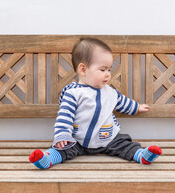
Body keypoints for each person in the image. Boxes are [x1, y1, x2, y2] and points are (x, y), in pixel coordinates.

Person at [29, 37, 162, 169]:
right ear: (83, 69)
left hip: (108, 139)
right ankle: (47, 159)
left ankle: (141, 155)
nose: (108, 74)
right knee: (63, 148)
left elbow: (122, 102)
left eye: (109, 69)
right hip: (78, 140)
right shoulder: (73, 93)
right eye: (103, 70)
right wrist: (62, 134)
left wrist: (137, 107)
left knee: (124, 143)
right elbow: (64, 117)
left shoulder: (110, 92)